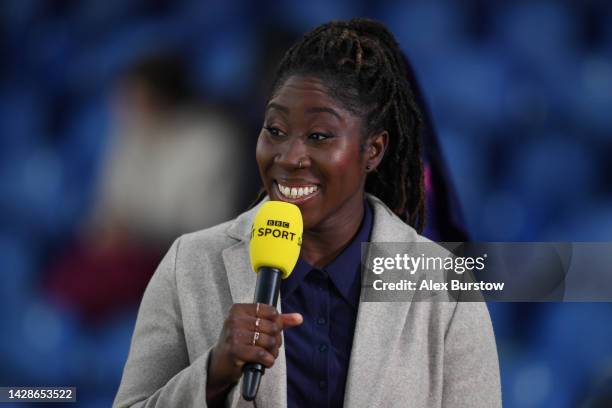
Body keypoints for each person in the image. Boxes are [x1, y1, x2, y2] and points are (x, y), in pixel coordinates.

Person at [114, 18, 501, 407]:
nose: (290, 157)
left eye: (319, 136)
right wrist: (212, 374)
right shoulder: (191, 264)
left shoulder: (445, 285)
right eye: (276, 131)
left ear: (374, 150)